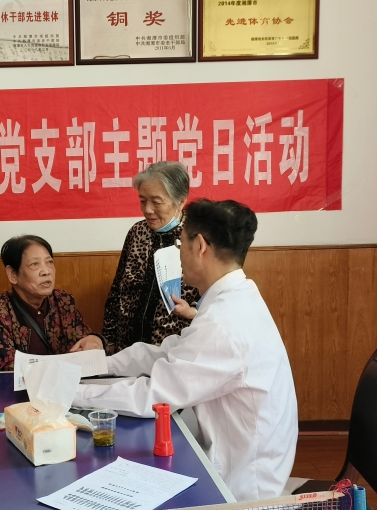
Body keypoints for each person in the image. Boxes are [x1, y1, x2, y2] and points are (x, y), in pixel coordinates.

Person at [73, 199, 298, 501]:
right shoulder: (237, 297)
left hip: (239, 491)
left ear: (200, 246)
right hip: (242, 460)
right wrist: (98, 365)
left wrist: (70, 392)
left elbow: (152, 396)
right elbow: (168, 352)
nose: (178, 252)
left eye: (180, 242)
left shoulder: (223, 322)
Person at [103, 161, 199, 354]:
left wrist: (194, 313)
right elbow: (117, 290)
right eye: (142, 200)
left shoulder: (196, 238)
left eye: (156, 201)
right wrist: (108, 339)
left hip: (173, 352)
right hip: (127, 349)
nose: (147, 209)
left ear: (180, 201)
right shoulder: (137, 232)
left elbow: (215, 302)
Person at [0, 235, 105, 371]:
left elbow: (83, 341)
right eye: (34, 264)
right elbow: (6, 369)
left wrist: (95, 340)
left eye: (49, 262)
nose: (46, 271)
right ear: (13, 274)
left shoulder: (62, 301)